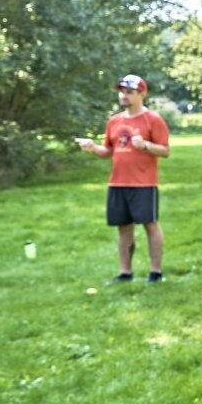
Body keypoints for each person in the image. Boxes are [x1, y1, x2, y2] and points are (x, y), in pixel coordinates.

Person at [75, 75, 174, 284]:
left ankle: (155, 272)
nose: (124, 96)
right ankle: (125, 273)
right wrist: (93, 148)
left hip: (143, 183)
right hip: (118, 182)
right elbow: (108, 151)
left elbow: (165, 151)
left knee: (150, 224)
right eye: (122, 92)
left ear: (142, 94)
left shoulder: (153, 120)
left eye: (129, 92)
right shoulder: (114, 121)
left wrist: (145, 145)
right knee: (123, 228)